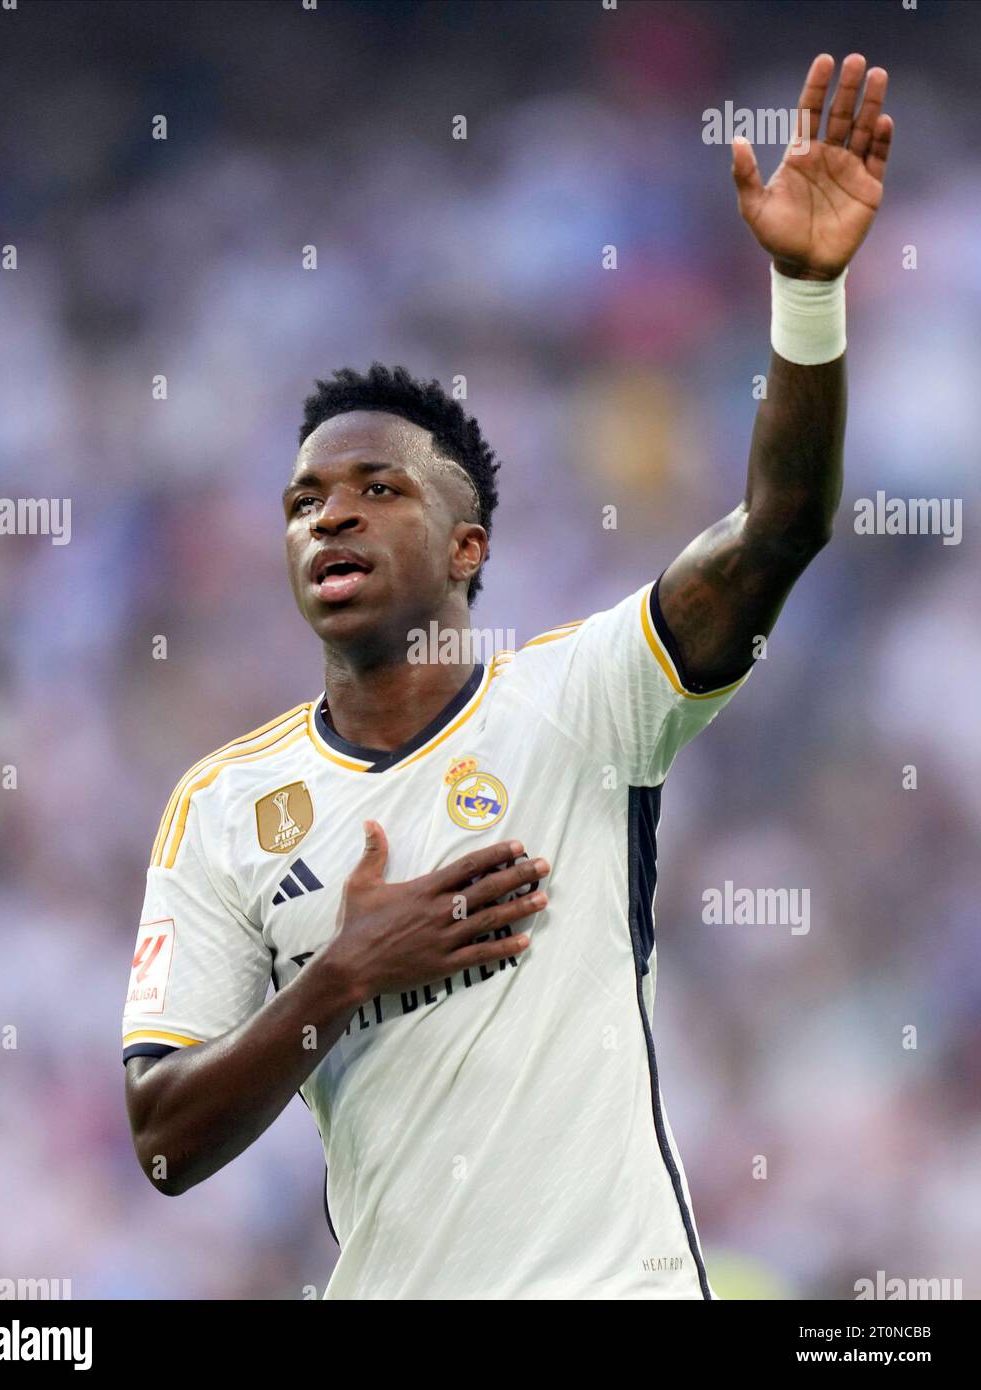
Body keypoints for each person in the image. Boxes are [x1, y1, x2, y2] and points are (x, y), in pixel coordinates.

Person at [123, 53, 893, 1299]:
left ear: (467, 545)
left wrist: (806, 296)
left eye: (378, 490)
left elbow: (779, 527)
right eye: (304, 501)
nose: (332, 519)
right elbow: (162, 1140)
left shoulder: (582, 697)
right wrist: (343, 975)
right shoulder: (220, 805)